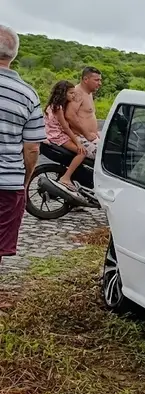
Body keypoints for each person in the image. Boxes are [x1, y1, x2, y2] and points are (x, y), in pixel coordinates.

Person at [0, 25, 44, 265]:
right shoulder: (28, 94)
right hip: (7, 184)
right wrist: (25, 182)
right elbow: (32, 148)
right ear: (13, 55)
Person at [44, 80, 88, 193]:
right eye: (71, 93)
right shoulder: (58, 108)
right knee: (82, 152)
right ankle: (66, 177)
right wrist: (78, 143)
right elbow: (65, 127)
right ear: (63, 93)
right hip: (57, 136)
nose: (73, 95)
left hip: (51, 134)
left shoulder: (52, 105)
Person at [65, 66, 102, 152]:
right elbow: (70, 115)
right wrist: (86, 133)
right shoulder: (77, 93)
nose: (100, 83)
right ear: (86, 79)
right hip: (81, 137)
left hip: (91, 136)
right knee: (103, 156)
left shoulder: (89, 92)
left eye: (100, 80)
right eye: (96, 80)